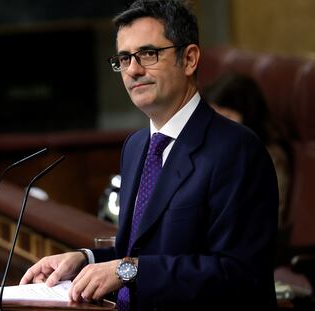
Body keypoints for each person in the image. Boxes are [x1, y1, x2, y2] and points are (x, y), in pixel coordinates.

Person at [20, 1, 279, 309]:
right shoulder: (136, 146)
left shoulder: (236, 149)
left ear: (190, 59)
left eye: (148, 54)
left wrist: (125, 270)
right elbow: (141, 254)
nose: (133, 69)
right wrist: (84, 260)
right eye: (124, 58)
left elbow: (239, 275)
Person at [202, 72, 291, 230]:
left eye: (228, 116)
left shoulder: (269, 156)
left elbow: (267, 219)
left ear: (249, 116)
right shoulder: (205, 147)